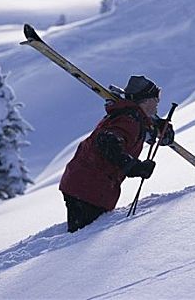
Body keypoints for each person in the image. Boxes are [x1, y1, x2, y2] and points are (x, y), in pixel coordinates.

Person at [59, 76, 174, 233]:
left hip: (83, 184)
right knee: (83, 239)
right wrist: (134, 167)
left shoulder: (131, 116)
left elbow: (141, 133)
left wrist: (161, 130)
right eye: (156, 98)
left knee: (83, 236)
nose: (158, 103)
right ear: (146, 101)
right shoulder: (129, 120)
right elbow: (107, 141)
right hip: (89, 188)